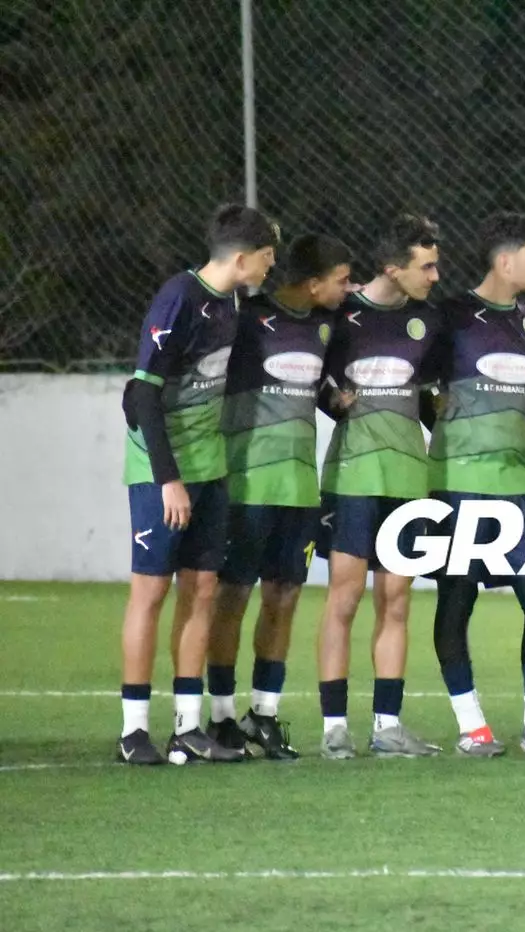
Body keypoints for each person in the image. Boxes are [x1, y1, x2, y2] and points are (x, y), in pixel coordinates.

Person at [118, 204, 279, 765]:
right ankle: (133, 731)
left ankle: (187, 726)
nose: (271, 265)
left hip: (210, 467)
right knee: (151, 592)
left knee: (203, 588)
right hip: (161, 472)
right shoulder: (179, 297)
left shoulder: (233, 302)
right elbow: (142, 393)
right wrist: (169, 480)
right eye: (267, 256)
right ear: (241, 258)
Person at [425, 212, 525, 758]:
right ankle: (472, 727)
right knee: (457, 599)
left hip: (517, 485)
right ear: (504, 260)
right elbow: (412, 378)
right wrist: (437, 416)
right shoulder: (451, 317)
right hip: (458, 484)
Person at [205, 233, 352, 760]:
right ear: (312, 283)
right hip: (247, 484)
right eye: (341, 280)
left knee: (285, 596)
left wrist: (337, 401)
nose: (348, 289)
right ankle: (221, 717)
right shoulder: (247, 320)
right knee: (232, 597)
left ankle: (263, 714)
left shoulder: (325, 325)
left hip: (299, 488)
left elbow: (315, 388)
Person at [316, 214, 444, 760]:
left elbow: (430, 398)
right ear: (393, 268)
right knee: (344, 598)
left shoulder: (429, 322)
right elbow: (314, 383)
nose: (435, 277)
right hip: (354, 475)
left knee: (395, 601)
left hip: (408, 477)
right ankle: (334, 728)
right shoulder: (340, 314)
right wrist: (331, 401)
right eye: (426, 267)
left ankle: (387, 726)